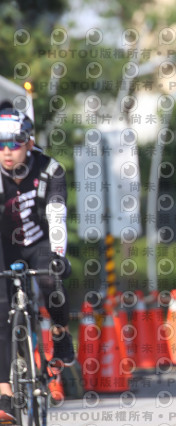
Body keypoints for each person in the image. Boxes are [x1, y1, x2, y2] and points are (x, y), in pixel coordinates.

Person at [0, 108, 73, 422]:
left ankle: (61, 332)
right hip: (5, 246)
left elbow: (56, 215)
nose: (6, 151)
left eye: (14, 142)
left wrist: (58, 254)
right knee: (1, 311)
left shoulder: (49, 169)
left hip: (39, 241)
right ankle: (4, 393)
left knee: (49, 281)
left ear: (29, 143)